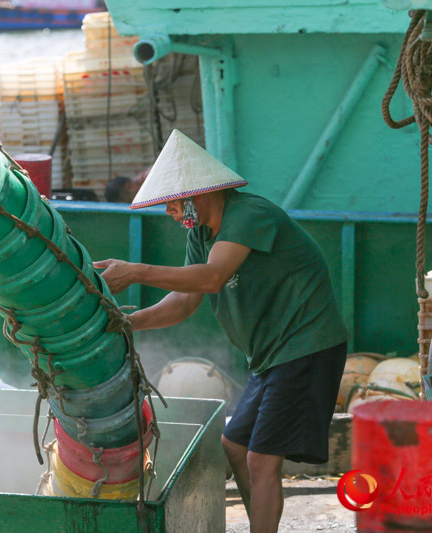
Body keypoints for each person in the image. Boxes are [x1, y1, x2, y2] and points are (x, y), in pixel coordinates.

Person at [94, 130, 348, 533]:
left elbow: (211, 278)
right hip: (270, 356)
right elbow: (183, 301)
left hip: (305, 345)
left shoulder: (249, 214)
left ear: (198, 193)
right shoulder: (201, 235)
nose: (169, 213)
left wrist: (139, 271)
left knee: (261, 459)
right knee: (236, 444)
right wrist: (127, 323)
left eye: (173, 203)